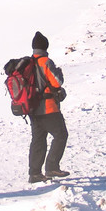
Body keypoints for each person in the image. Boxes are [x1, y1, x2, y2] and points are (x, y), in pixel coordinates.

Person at [28, 31, 69, 183]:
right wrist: (58, 72)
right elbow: (56, 82)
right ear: (45, 46)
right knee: (61, 135)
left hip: (32, 108)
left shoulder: (28, 63)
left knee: (38, 139)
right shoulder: (45, 61)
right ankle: (52, 167)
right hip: (48, 107)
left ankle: (35, 173)